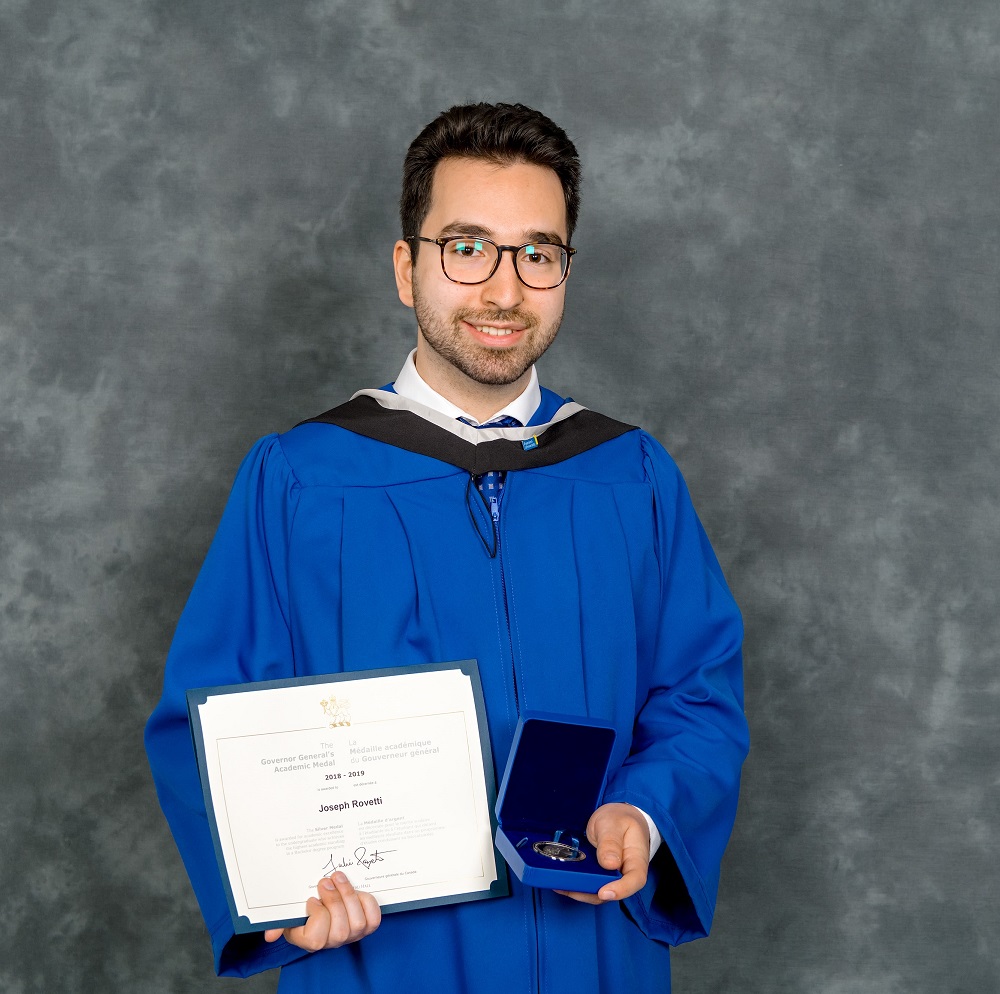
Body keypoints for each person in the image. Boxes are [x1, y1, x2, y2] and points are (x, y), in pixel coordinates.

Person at [145, 101, 749, 994]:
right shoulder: (303, 479)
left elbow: (699, 694)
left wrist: (646, 812)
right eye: (468, 247)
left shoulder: (629, 475)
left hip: (592, 956)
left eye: (537, 253)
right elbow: (208, 724)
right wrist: (280, 894)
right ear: (408, 268)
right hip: (382, 960)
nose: (504, 291)